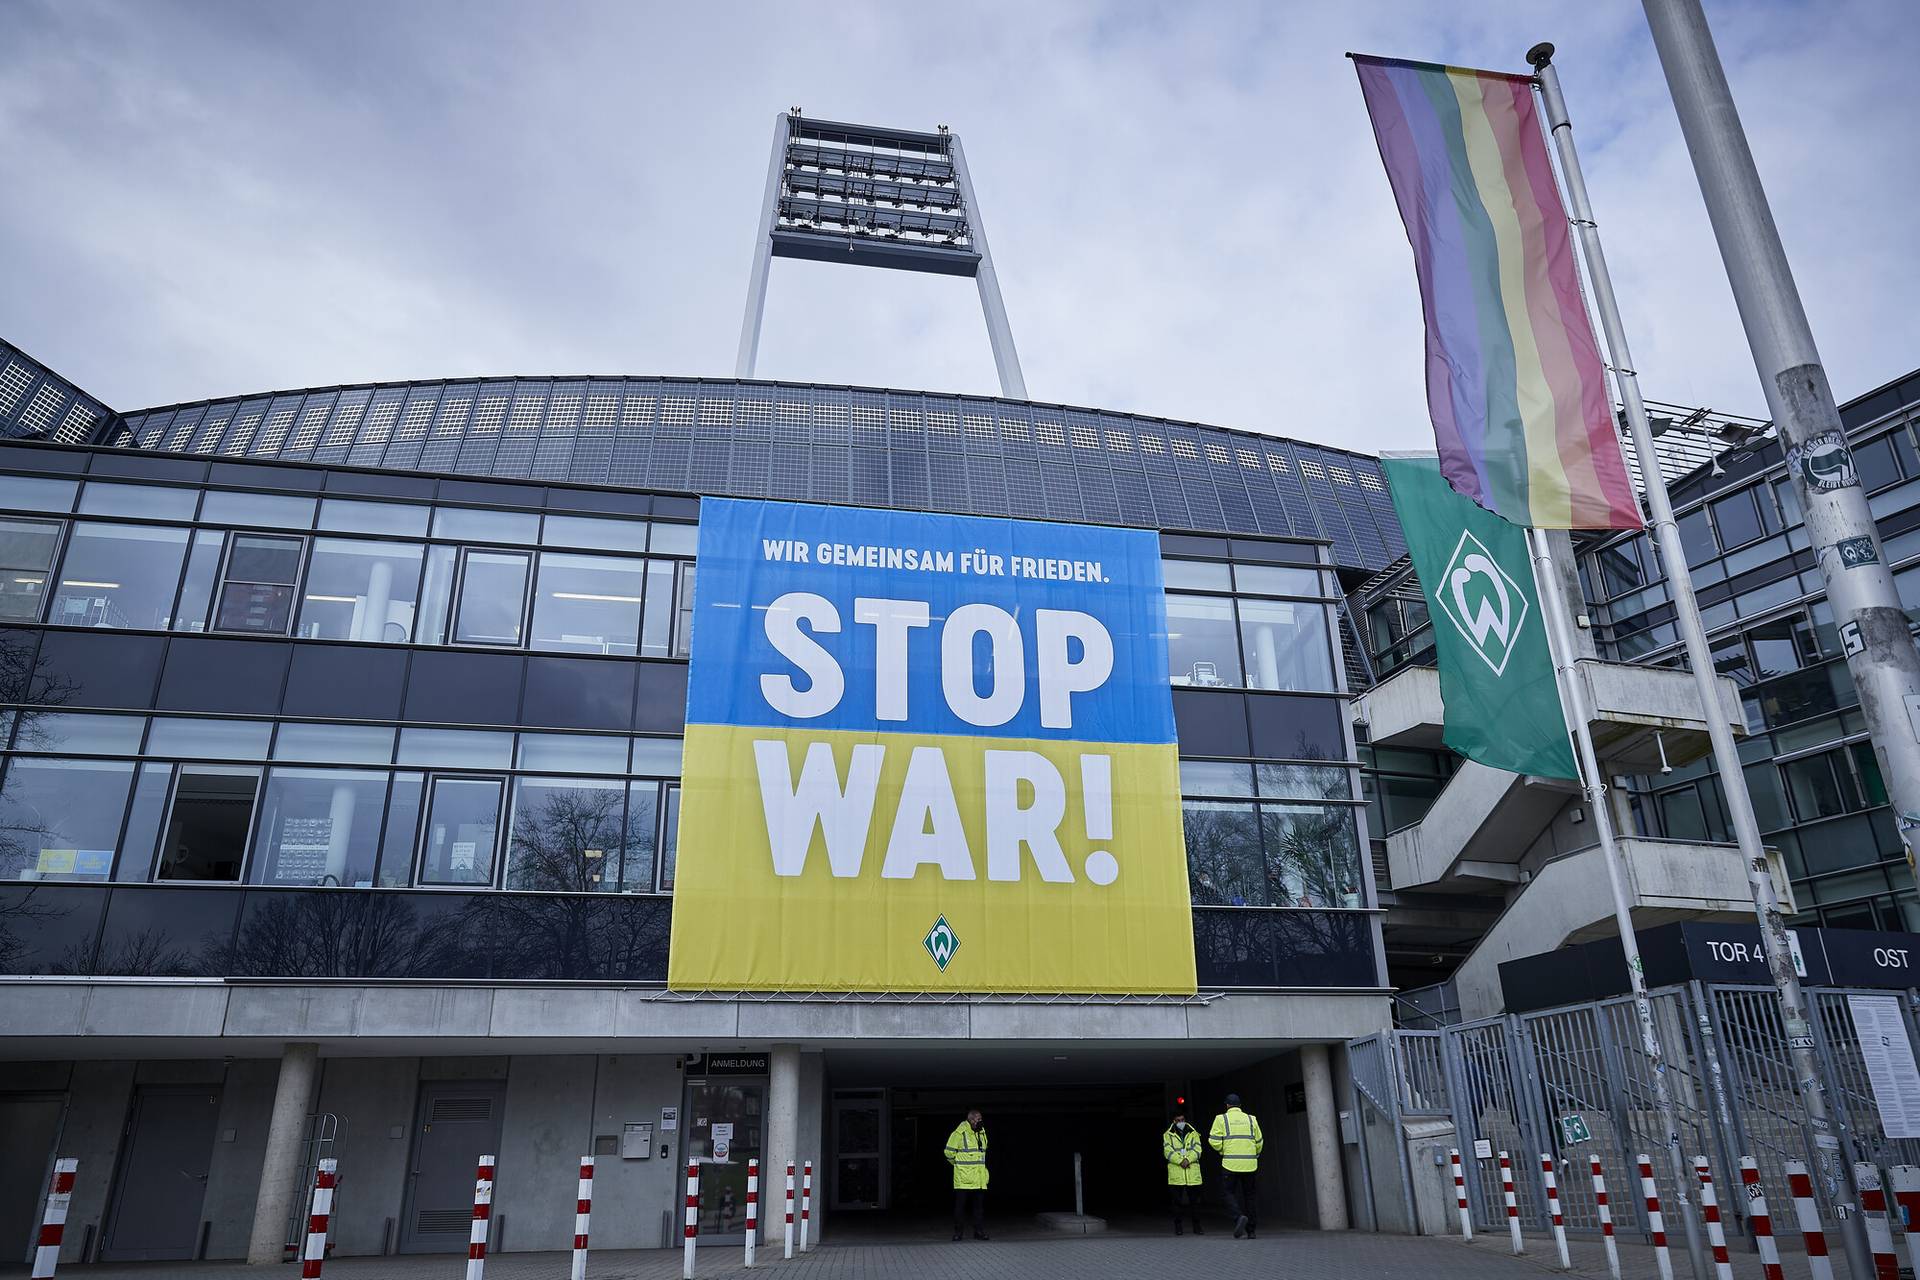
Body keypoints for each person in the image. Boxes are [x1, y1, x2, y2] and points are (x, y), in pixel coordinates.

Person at [1208, 1092, 1264, 1239]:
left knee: (1227, 1193)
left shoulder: (1221, 1119)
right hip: (1250, 1164)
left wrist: (1222, 1150)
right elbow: (1259, 1141)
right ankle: (1251, 1231)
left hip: (1230, 1163)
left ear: (1227, 1105)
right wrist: (1254, 1154)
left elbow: (1213, 1140)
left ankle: (1238, 1217)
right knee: (1250, 1196)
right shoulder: (1251, 1119)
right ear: (1240, 1105)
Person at [945, 1107, 989, 1241]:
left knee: (978, 1209)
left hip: (979, 1177)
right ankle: (958, 1233)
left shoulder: (981, 1132)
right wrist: (958, 1165)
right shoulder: (959, 1133)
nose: (980, 1121)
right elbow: (948, 1153)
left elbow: (982, 1153)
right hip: (963, 1178)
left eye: (981, 1118)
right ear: (971, 1119)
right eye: (978, 1119)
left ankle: (979, 1232)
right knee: (960, 1208)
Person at [1163, 1105, 1204, 1235]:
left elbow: (1198, 1150)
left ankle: (1197, 1227)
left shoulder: (1194, 1133)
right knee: (1177, 1203)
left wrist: (1188, 1160)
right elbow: (1168, 1152)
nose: (1181, 1122)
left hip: (1192, 1173)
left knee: (1195, 1203)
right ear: (1173, 1121)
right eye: (1178, 1120)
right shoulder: (1167, 1135)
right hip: (1177, 1174)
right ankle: (1178, 1227)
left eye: (1182, 1119)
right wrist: (1181, 1161)